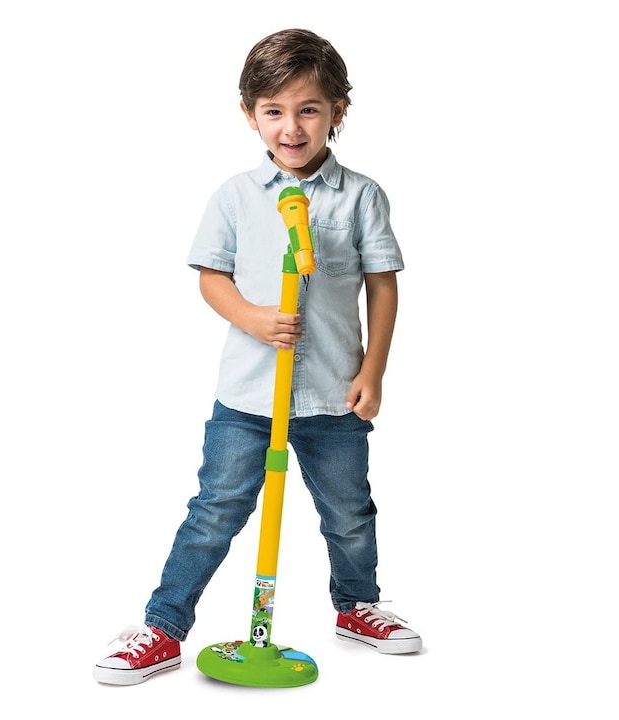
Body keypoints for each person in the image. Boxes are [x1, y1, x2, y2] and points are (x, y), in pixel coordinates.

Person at [93, 27, 422, 686]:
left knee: (349, 512)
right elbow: (211, 276)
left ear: (338, 111)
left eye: (308, 109)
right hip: (248, 396)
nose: (291, 127)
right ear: (250, 115)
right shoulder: (236, 196)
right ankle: (163, 626)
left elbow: (382, 286)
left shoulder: (361, 195)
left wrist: (373, 371)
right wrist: (251, 316)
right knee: (214, 510)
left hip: (332, 393)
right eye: (274, 110)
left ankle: (358, 606)